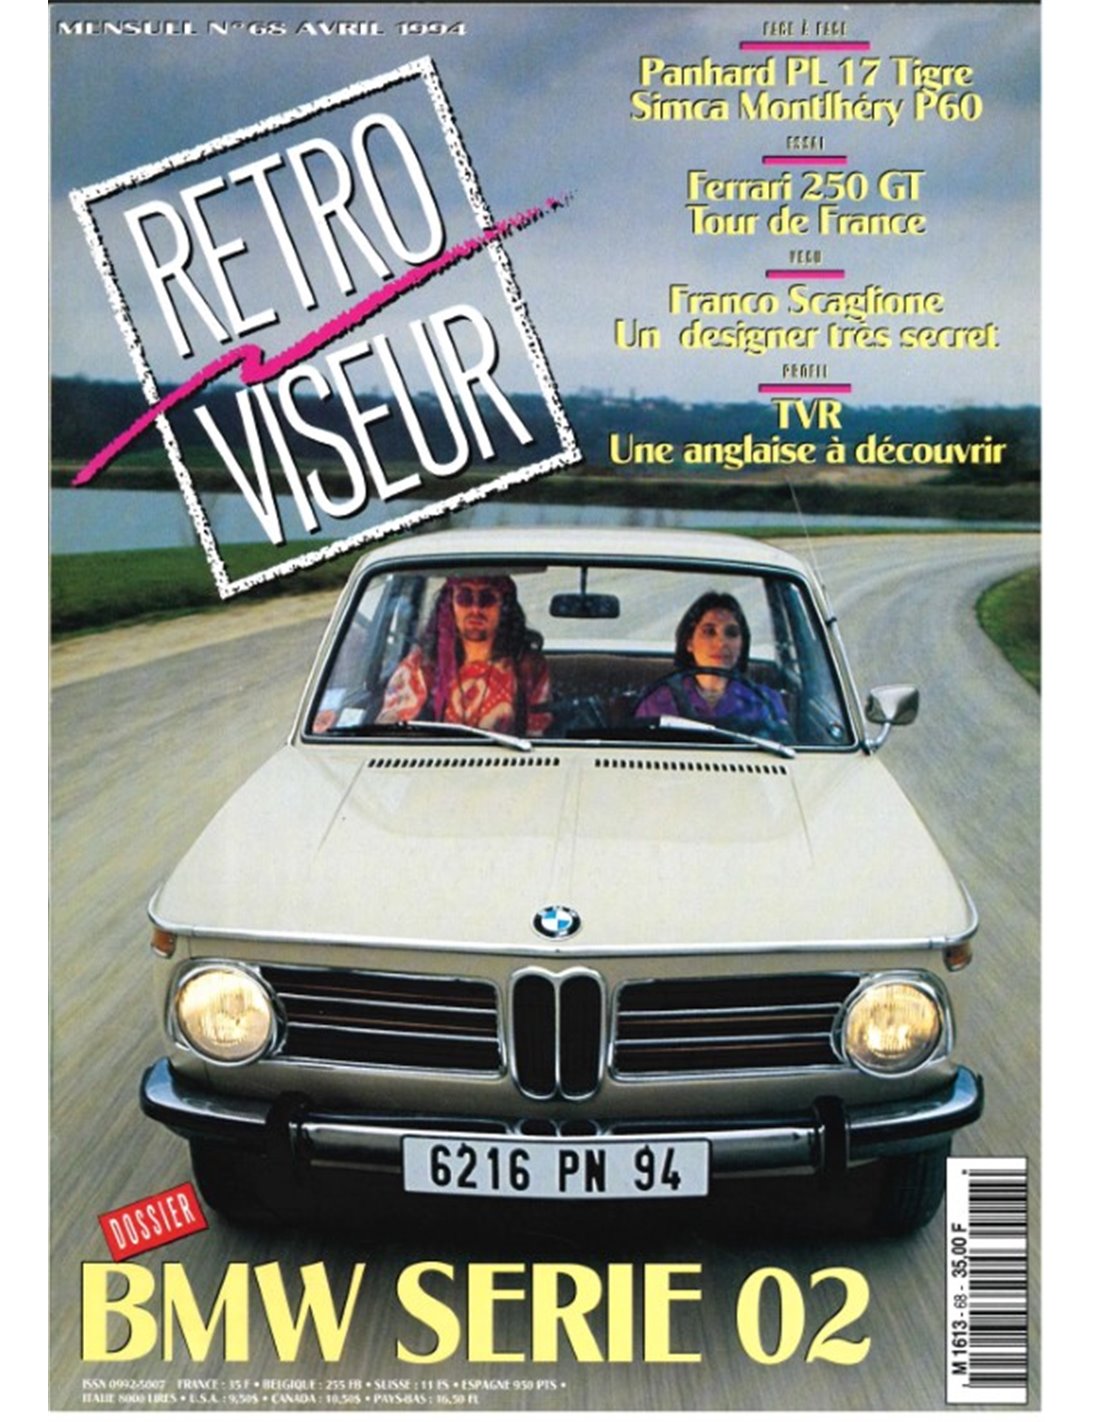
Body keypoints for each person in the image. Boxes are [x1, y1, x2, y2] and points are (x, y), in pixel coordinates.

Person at [377, 574, 552, 735]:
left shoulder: (527, 667)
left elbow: (539, 735)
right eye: (465, 598)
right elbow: (389, 731)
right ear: (451, 605)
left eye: (487, 599)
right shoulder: (420, 666)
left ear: (503, 607)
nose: (475, 609)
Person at [634, 591, 792, 739]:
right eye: (709, 632)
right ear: (689, 642)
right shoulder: (656, 702)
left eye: (731, 633)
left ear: (742, 644)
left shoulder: (765, 702)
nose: (721, 643)